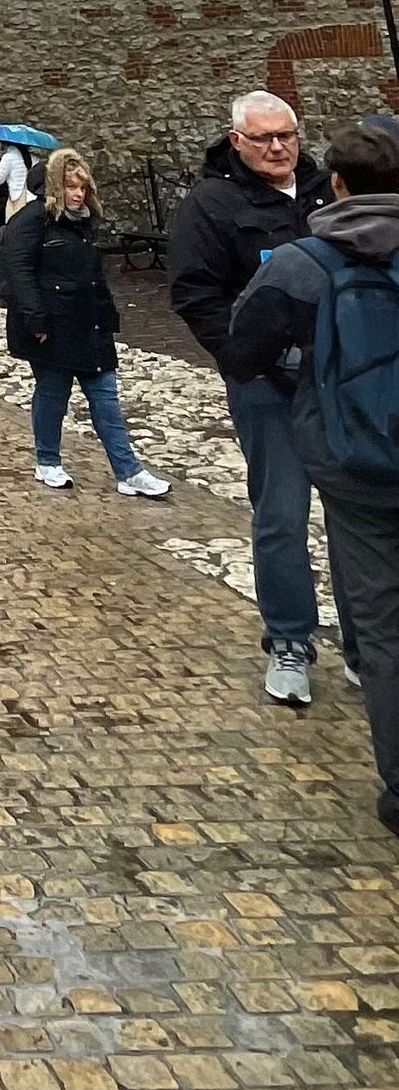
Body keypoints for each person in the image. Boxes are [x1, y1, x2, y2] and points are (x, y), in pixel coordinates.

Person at [228, 121, 399, 826]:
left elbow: (242, 350)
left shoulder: (305, 262)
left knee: (386, 627)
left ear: (336, 184)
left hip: (358, 463)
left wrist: (308, 369)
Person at [168, 89, 355, 707]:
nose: (279, 147)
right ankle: (290, 641)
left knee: (355, 516)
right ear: (238, 140)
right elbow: (196, 292)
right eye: (265, 138)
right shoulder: (211, 204)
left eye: (288, 135)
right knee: (280, 517)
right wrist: (242, 360)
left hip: (343, 377)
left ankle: (364, 642)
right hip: (268, 385)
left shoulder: (327, 190)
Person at [0, 149, 171, 496]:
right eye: (71, 187)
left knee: (105, 397)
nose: (77, 194)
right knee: (53, 393)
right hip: (52, 325)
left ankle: (128, 471)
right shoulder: (31, 221)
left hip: (88, 323)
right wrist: (36, 319)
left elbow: (92, 275)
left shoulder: (84, 223)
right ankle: (47, 461)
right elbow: (19, 271)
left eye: (83, 188)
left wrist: (107, 313)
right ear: (57, 187)